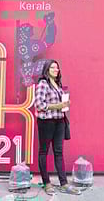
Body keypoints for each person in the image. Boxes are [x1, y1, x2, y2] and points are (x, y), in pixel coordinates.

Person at [34, 60, 81, 196]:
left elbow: (58, 104)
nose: (56, 69)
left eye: (57, 67)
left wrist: (65, 104)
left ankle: (64, 183)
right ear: (47, 69)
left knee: (59, 152)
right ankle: (46, 183)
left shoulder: (58, 84)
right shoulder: (43, 83)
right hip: (46, 122)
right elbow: (39, 104)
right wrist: (58, 106)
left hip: (59, 121)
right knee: (43, 151)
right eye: (53, 67)